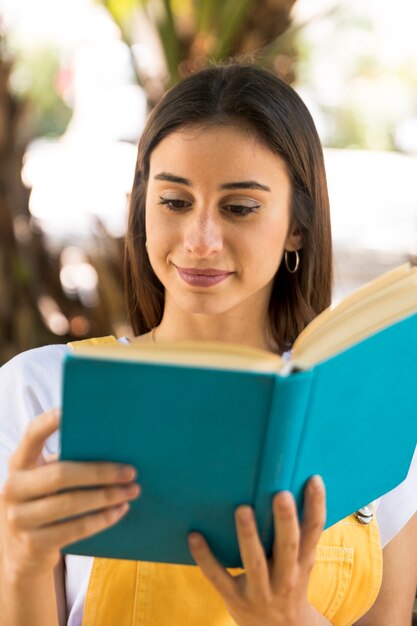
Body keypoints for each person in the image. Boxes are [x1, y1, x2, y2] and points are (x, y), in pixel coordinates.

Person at [0, 63, 416, 626]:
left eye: (239, 207)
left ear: (297, 226)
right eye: (174, 202)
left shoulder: (372, 407)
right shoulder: (43, 392)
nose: (200, 240)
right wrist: (21, 561)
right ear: (144, 207)